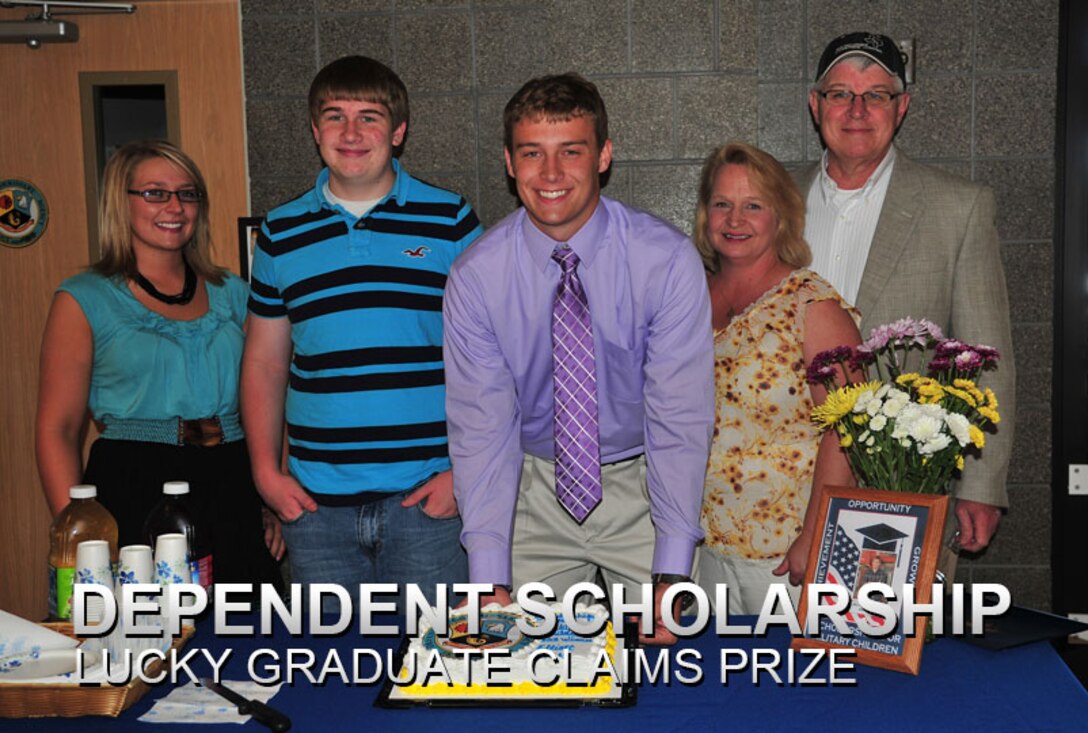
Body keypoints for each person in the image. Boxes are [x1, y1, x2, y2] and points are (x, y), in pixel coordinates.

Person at [443, 73, 714, 644]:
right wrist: (488, 574)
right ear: (509, 164)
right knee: (514, 668)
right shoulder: (476, 276)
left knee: (673, 663)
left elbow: (679, 419)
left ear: (604, 156)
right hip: (532, 490)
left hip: (645, 486)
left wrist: (671, 565)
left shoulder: (664, 260)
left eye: (571, 151)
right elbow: (482, 428)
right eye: (531, 154)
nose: (550, 174)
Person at [242, 56, 482, 612]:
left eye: (369, 117)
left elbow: (492, 359)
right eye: (334, 116)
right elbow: (264, 365)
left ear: (398, 132)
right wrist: (264, 474)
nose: (351, 133)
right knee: (327, 677)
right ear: (314, 129)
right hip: (314, 511)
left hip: (426, 505)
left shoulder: (451, 221)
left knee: (438, 674)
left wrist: (463, 477)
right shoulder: (280, 232)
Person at [798, 32, 1015, 556]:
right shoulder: (770, 201)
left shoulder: (956, 208)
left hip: (902, 482)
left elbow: (987, 359)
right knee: (780, 635)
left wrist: (981, 487)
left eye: (876, 94)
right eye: (840, 94)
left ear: (902, 108)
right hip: (780, 482)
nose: (857, 109)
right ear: (815, 104)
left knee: (892, 635)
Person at [35, 139, 283, 590]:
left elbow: (269, 399)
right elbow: (58, 430)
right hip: (133, 486)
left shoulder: (233, 292)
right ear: (120, 202)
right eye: (155, 193)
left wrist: (272, 498)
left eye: (187, 194)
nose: (175, 206)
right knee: (143, 645)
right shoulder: (83, 299)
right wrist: (81, 541)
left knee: (247, 639)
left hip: (231, 480)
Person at [692, 142, 860, 613]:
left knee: (790, 684)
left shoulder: (812, 304)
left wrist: (816, 534)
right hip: (699, 550)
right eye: (722, 204)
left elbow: (847, 427)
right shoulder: (686, 297)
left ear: (780, 216)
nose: (734, 219)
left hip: (784, 555)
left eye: (753, 206)